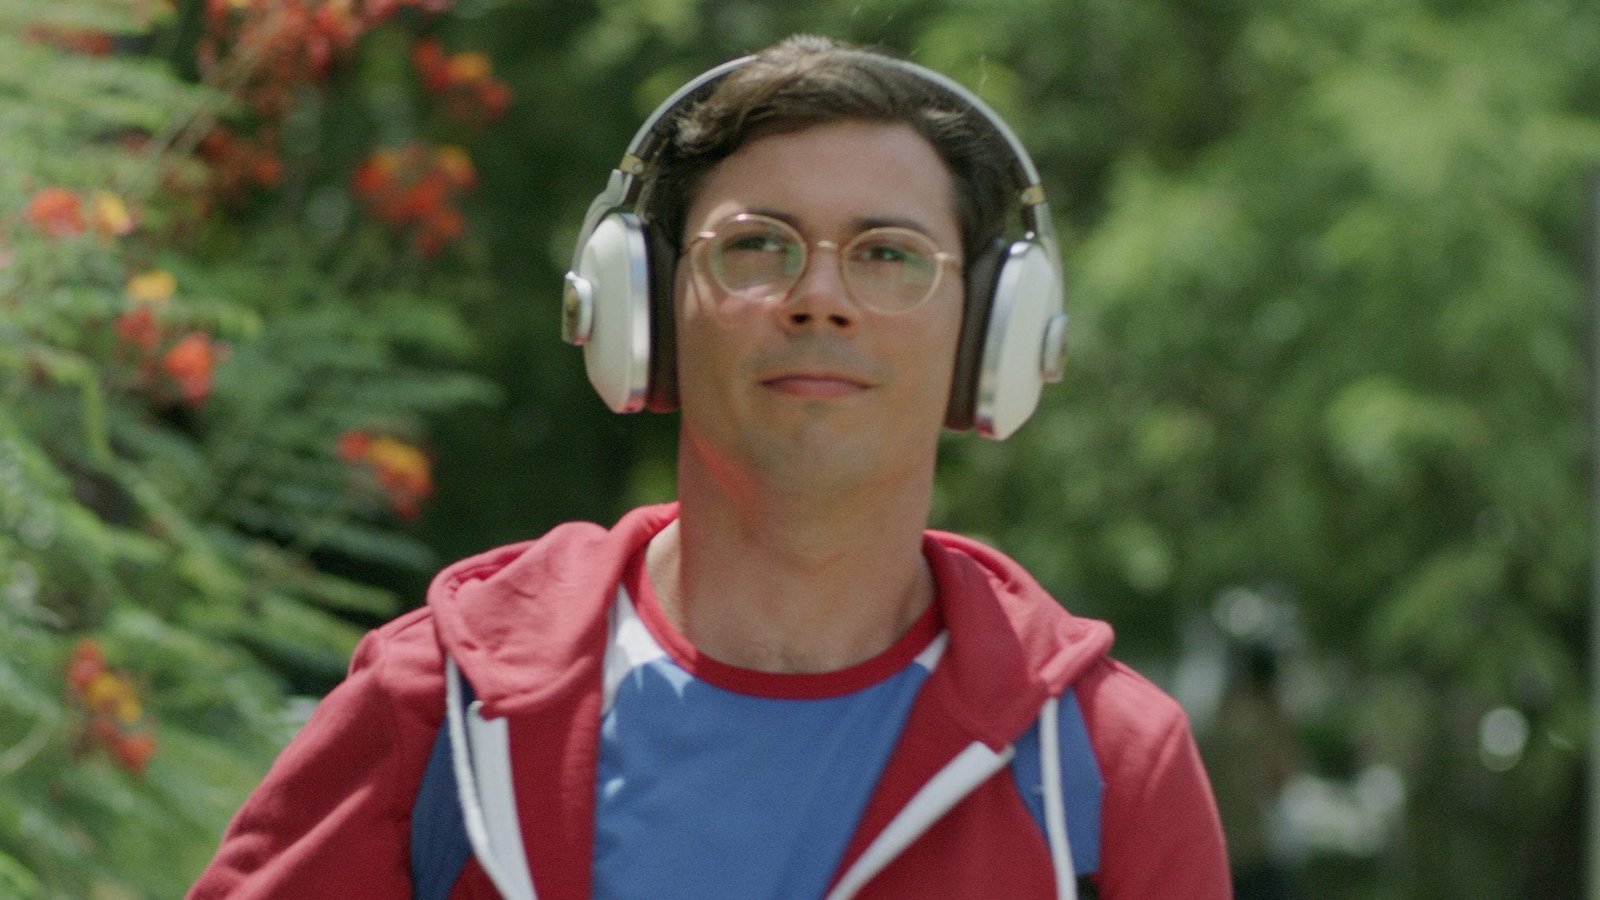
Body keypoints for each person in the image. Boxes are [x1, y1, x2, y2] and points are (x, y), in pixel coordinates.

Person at [190, 35, 1230, 899]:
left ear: (992, 342)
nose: (818, 298)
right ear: (637, 312)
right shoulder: (439, 708)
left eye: (887, 255)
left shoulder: (1103, 764)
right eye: (757, 246)